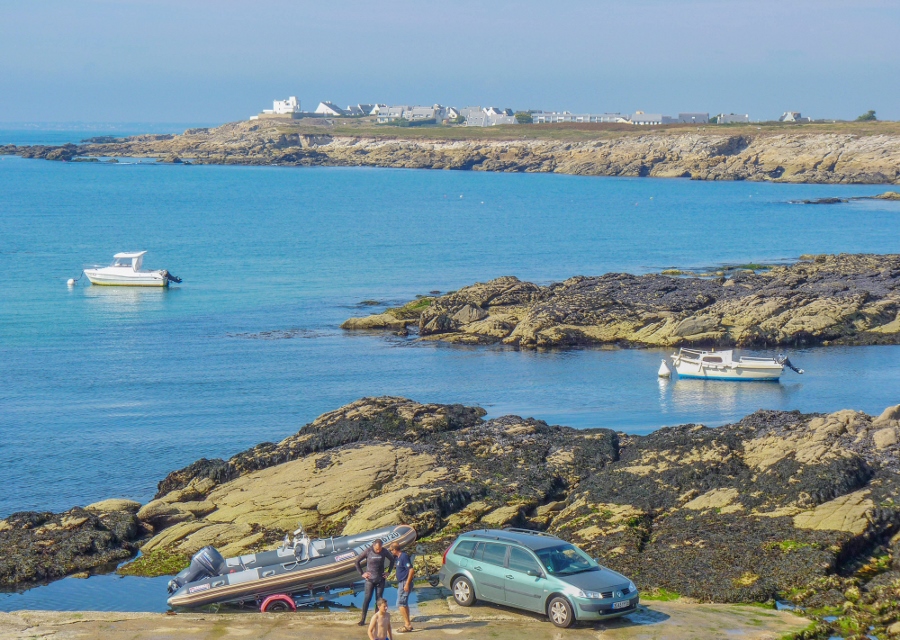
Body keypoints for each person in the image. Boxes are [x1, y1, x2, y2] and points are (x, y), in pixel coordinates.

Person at [356, 539, 395, 626]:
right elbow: (357, 561)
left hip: (380, 579)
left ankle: (377, 618)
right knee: (367, 599)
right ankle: (362, 619)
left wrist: (389, 572)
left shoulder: (384, 551)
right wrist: (362, 573)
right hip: (370, 580)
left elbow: (392, 560)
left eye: (379, 549)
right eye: (377, 549)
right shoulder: (368, 551)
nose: (378, 551)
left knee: (379, 600)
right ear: (374, 546)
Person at [389, 541, 414, 632]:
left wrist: (407, 584)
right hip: (401, 583)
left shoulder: (403, 557)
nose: (391, 552)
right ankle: (408, 624)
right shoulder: (398, 558)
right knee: (404, 603)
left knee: (400, 604)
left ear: (395, 550)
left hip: (404, 582)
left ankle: (407, 624)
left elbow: (411, 570)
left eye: (391, 550)